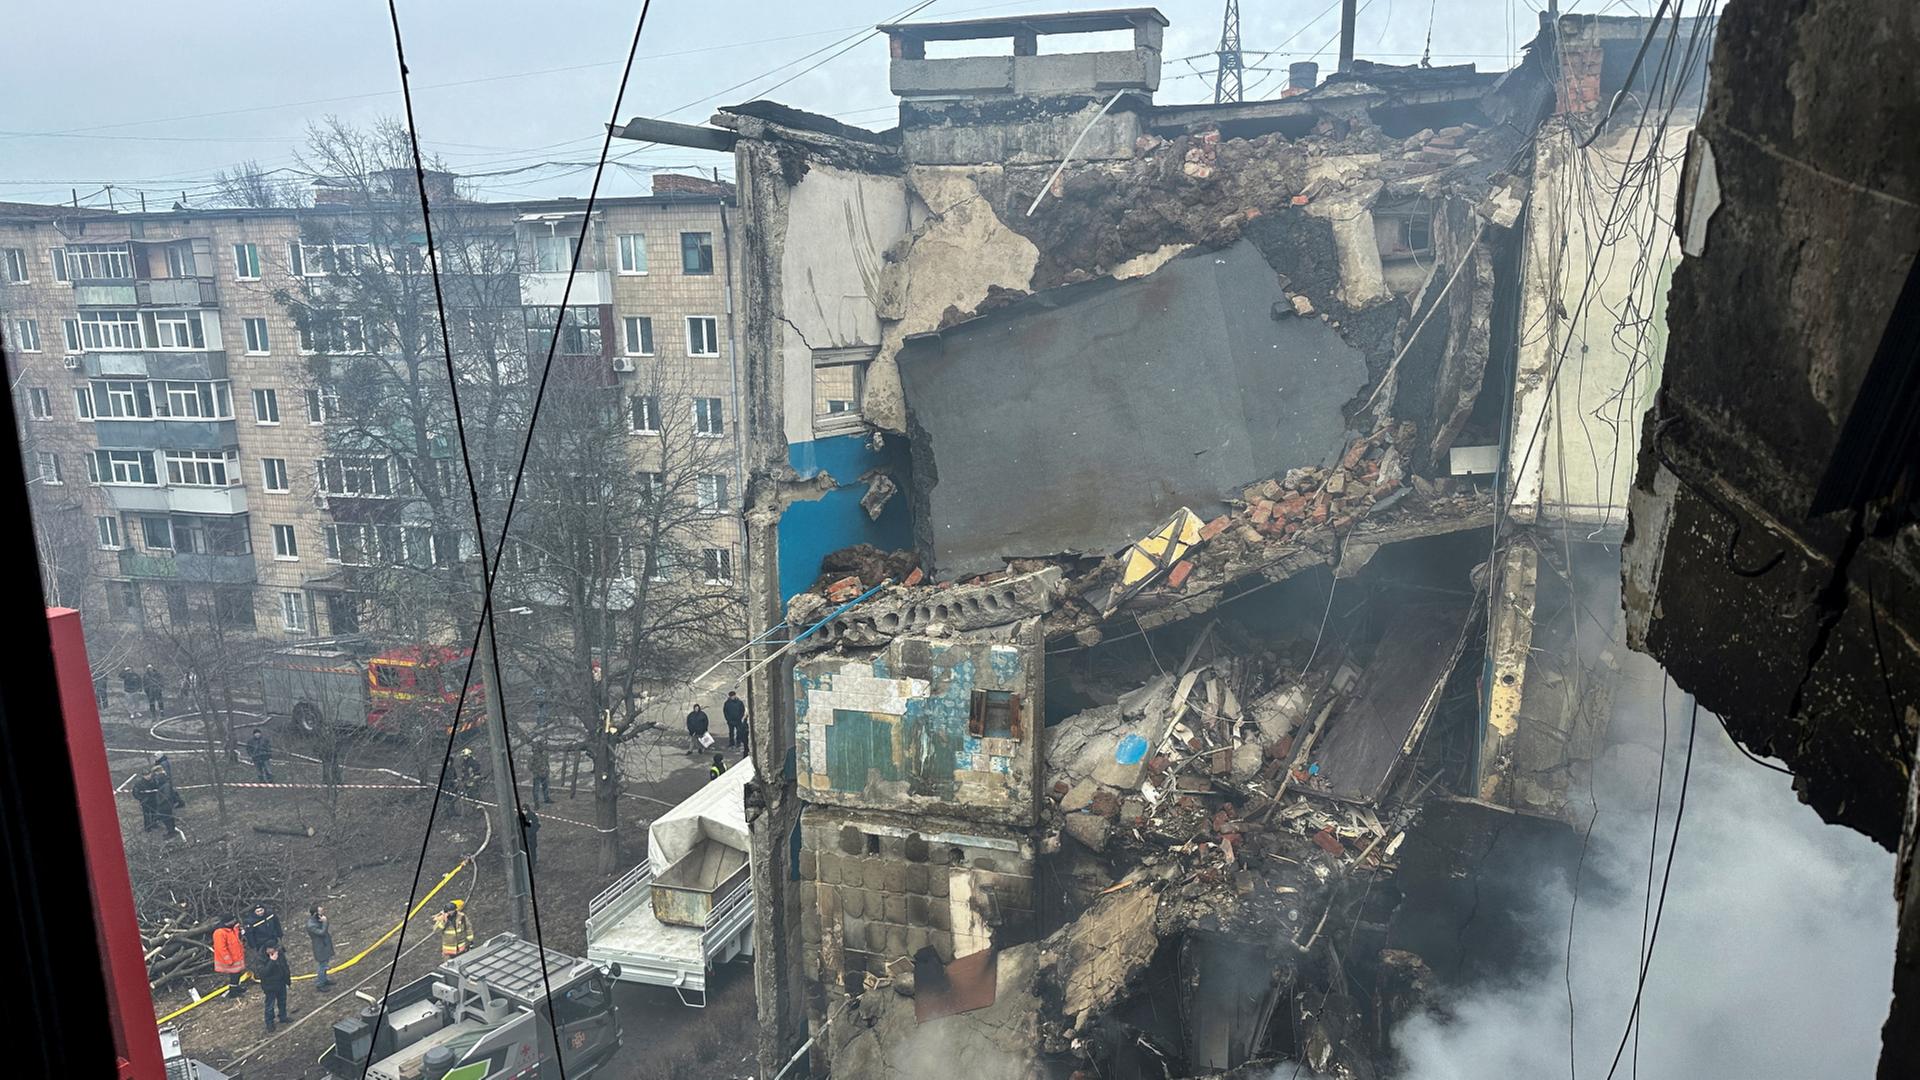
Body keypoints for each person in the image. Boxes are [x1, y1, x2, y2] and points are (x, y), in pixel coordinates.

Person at [257, 945, 292, 1031]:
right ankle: (269, 1023)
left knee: (282, 1001)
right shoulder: (260, 959)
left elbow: (285, 966)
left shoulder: (279, 953)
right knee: (270, 1005)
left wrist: (287, 979)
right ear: (267, 949)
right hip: (270, 986)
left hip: (281, 982)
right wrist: (272, 961)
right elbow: (263, 973)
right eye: (274, 949)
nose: (276, 951)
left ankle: (283, 1016)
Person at [212, 919, 247, 998]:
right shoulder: (220, 933)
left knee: (237, 974)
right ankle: (233, 991)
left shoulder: (232, 929)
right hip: (229, 958)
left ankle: (236, 987)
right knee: (234, 975)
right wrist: (227, 959)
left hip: (236, 956)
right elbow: (220, 948)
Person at [148, 764, 184, 841]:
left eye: (155, 773)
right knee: (168, 817)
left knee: (166, 817)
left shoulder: (162, 779)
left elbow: (166, 792)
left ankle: (171, 831)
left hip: (165, 803)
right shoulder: (164, 777)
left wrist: (160, 801)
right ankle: (171, 830)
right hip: (166, 801)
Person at [307, 905, 335, 990]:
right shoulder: (311, 925)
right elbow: (322, 932)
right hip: (320, 947)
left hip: (324, 945)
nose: (322, 913)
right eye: (320, 912)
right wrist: (325, 922)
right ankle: (320, 984)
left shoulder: (318, 919)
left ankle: (325, 979)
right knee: (322, 965)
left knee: (325, 964)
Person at [530, 736, 553, 805]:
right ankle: (536, 801)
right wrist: (538, 769)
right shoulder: (533, 757)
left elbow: (546, 764)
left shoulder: (544, 756)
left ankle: (546, 799)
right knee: (536, 789)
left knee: (545, 787)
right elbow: (530, 767)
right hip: (537, 774)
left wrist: (547, 770)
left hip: (544, 774)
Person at [520, 808, 541, 874]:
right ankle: (525, 865)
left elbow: (536, 825)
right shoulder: (519, 817)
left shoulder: (532, 816)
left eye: (525, 810)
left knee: (533, 851)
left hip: (531, 837)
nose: (524, 811)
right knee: (524, 852)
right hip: (523, 838)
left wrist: (531, 831)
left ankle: (533, 865)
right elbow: (517, 825)